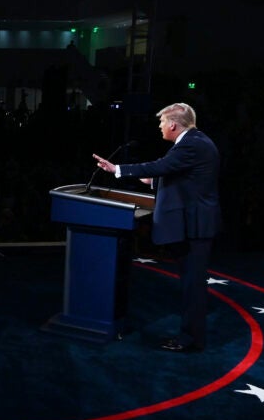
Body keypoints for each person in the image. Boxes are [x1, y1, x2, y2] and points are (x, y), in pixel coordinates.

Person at [93, 102, 221, 352]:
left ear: (173, 124)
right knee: (190, 284)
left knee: (192, 286)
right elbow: (182, 176)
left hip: (195, 226)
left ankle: (191, 340)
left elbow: (162, 166)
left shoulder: (191, 144)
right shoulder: (196, 141)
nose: (160, 127)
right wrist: (154, 180)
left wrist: (117, 169)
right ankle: (191, 336)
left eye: (162, 122)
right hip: (194, 224)